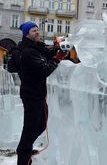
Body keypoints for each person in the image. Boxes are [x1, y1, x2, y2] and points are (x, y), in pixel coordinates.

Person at [14, 21, 67, 165]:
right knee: (30, 128)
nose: (37, 32)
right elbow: (44, 70)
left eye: (37, 29)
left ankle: (26, 147)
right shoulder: (28, 52)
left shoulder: (35, 47)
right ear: (27, 34)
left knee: (41, 124)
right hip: (32, 95)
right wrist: (58, 58)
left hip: (38, 94)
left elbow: (46, 51)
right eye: (33, 30)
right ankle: (23, 156)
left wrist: (57, 47)